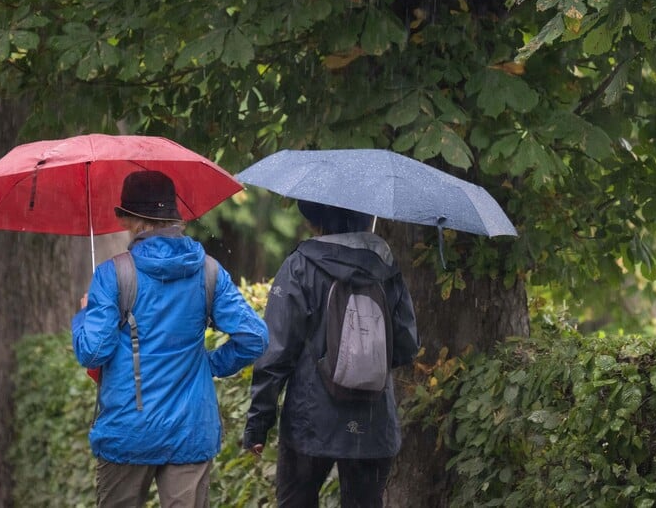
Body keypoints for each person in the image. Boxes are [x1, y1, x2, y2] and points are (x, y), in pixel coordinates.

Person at [73, 170, 269, 508]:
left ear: (128, 219)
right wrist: (210, 364)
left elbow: (93, 353)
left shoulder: (112, 274)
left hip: (127, 431)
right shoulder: (209, 271)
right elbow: (254, 337)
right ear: (175, 216)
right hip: (190, 429)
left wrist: (83, 315)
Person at [243, 200, 420, 508]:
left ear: (316, 219)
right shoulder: (387, 268)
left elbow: (276, 352)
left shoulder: (300, 265)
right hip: (374, 421)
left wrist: (259, 423)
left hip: (310, 420)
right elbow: (405, 346)